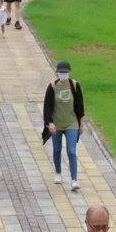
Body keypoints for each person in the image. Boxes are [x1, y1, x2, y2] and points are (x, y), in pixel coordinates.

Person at [41, 60, 85, 191]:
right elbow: (47, 106)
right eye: (61, 73)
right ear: (57, 73)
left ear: (69, 73)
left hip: (71, 122)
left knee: (71, 151)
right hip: (57, 124)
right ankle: (58, 173)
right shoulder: (52, 87)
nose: (63, 75)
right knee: (57, 150)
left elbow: (80, 106)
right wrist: (50, 123)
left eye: (65, 73)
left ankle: (74, 180)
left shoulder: (75, 85)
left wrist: (81, 123)